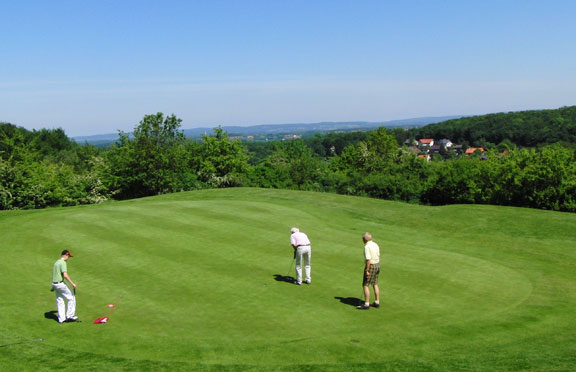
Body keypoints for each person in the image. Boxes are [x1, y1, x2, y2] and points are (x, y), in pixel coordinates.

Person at [52, 250, 78, 323]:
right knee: (71, 298)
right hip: (60, 284)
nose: (68, 258)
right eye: (68, 256)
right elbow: (65, 275)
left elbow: (55, 274)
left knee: (60, 300)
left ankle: (61, 319)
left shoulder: (57, 262)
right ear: (65, 255)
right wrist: (72, 284)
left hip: (55, 284)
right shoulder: (63, 263)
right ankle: (70, 316)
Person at [357, 232, 380, 310]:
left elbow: (368, 259)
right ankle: (377, 302)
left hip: (371, 266)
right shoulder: (375, 244)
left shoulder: (367, 247)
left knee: (365, 285)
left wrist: (367, 270)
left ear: (364, 239)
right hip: (377, 265)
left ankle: (366, 304)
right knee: (375, 283)